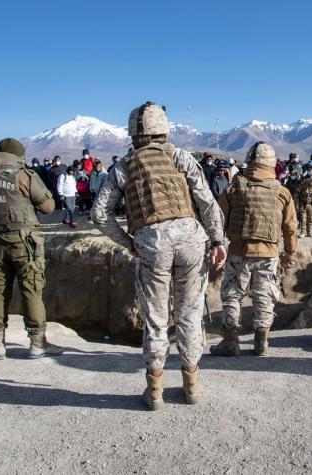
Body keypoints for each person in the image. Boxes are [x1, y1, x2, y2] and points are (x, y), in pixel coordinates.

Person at [91, 102, 226, 409]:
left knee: (156, 320)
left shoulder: (123, 166)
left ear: (133, 133)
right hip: (191, 240)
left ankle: (154, 392)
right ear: (164, 128)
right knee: (190, 315)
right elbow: (207, 202)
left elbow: (99, 214)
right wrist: (218, 240)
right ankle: (191, 387)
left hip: (151, 244)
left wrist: (127, 242)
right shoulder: (180, 157)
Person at [0, 138, 61, 360]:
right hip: (24, 243)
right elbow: (48, 207)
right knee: (31, 290)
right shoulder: (23, 175)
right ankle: (37, 344)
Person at [211, 141, 298, 358]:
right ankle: (261, 343)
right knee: (264, 297)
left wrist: (216, 245)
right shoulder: (282, 192)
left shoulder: (234, 187)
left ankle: (231, 342)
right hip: (268, 255)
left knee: (232, 296)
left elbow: (217, 220)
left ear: (250, 161)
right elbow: (290, 227)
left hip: (239, 252)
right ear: (271, 164)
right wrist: (289, 253)